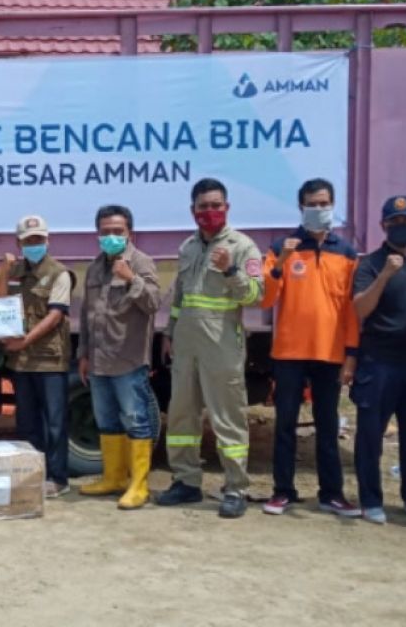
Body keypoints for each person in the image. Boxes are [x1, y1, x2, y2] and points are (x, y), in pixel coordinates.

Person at [156, 179, 262, 518]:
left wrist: (230, 270)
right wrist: (170, 333)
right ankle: (186, 482)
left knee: (227, 418)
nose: (210, 212)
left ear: (226, 208)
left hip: (222, 344)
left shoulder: (243, 246)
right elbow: (179, 298)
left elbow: (254, 296)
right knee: (181, 416)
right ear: (193, 211)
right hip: (187, 343)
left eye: (216, 205)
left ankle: (236, 488)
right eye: (203, 206)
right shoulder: (187, 247)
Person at [260, 178, 361, 518]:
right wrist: (281, 261)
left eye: (324, 203)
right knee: (285, 424)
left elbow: (350, 309)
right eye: (312, 204)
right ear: (300, 206)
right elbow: (266, 297)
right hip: (289, 352)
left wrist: (351, 355)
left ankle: (331, 494)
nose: (318, 210)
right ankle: (282, 491)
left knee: (328, 426)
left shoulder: (346, 253)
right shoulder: (282, 247)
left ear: (333, 205)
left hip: (329, 354)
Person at [349, 195, 406, 525]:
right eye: (395, 222)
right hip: (380, 362)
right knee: (370, 435)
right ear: (383, 226)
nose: (402, 227)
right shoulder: (371, 264)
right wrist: (384, 275)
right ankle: (370, 500)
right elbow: (360, 309)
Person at [78, 205, 161, 511]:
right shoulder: (94, 267)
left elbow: (153, 303)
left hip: (128, 360)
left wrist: (130, 279)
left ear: (130, 233)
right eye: (105, 232)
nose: (110, 237)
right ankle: (113, 478)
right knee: (107, 420)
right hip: (98, 359)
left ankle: (138, 485)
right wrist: (83, 354)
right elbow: (88, 316)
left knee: (136, 421)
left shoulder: (142, 262)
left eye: (117, 231)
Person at [0, 215, 74, 499]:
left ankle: (58, 477)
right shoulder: (17, 270)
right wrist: (3, 271)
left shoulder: (59, 273)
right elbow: (0, 302)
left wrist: (24, 340)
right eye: (28, 241)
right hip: (22, 361)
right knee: (26, 422)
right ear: (19, 243)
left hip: (50, 359)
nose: (34, 244)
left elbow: (55, 315)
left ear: (47, 240)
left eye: (38, 239)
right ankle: (32, 475)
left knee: (54, 422)